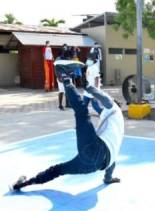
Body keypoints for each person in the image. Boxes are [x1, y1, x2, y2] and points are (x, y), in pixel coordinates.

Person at [10, 60, 124, 192]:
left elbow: (106, 99)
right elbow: (113, 161)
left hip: (96, 150)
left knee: (82, 111)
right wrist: (108, 178)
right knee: (58, 170)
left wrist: (88, 87)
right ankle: (21, 185)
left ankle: (63, 74)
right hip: (92, 166)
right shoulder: (117, 129)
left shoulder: (115, 108)